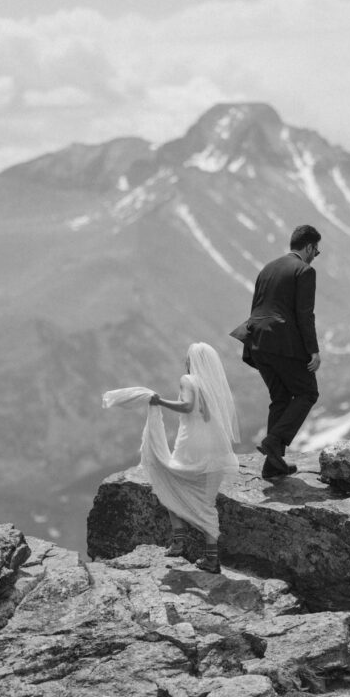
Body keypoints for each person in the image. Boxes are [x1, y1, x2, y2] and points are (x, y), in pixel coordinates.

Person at [103, 342, 239, 574]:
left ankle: (178, 541)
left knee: (168, 483)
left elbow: (187, 406)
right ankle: (212, 558)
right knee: (206, 502)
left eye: (188, 358)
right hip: (215, 447)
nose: (185, 361)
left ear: (193, 361)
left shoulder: (188, 380)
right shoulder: (214, 385)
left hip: (191, 444)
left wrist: (159, 402)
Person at [231, 224, 321, 479]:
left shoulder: (267, 268)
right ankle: (274, 441)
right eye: (317, 250)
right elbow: (305, 314)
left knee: (281, 398)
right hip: (283, 343)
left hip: (257, 342)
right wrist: (313, 351)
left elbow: (258, 306)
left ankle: (273, 465)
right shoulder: (304, 271)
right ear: (309, 247)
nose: (316, 255)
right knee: (307, 392)